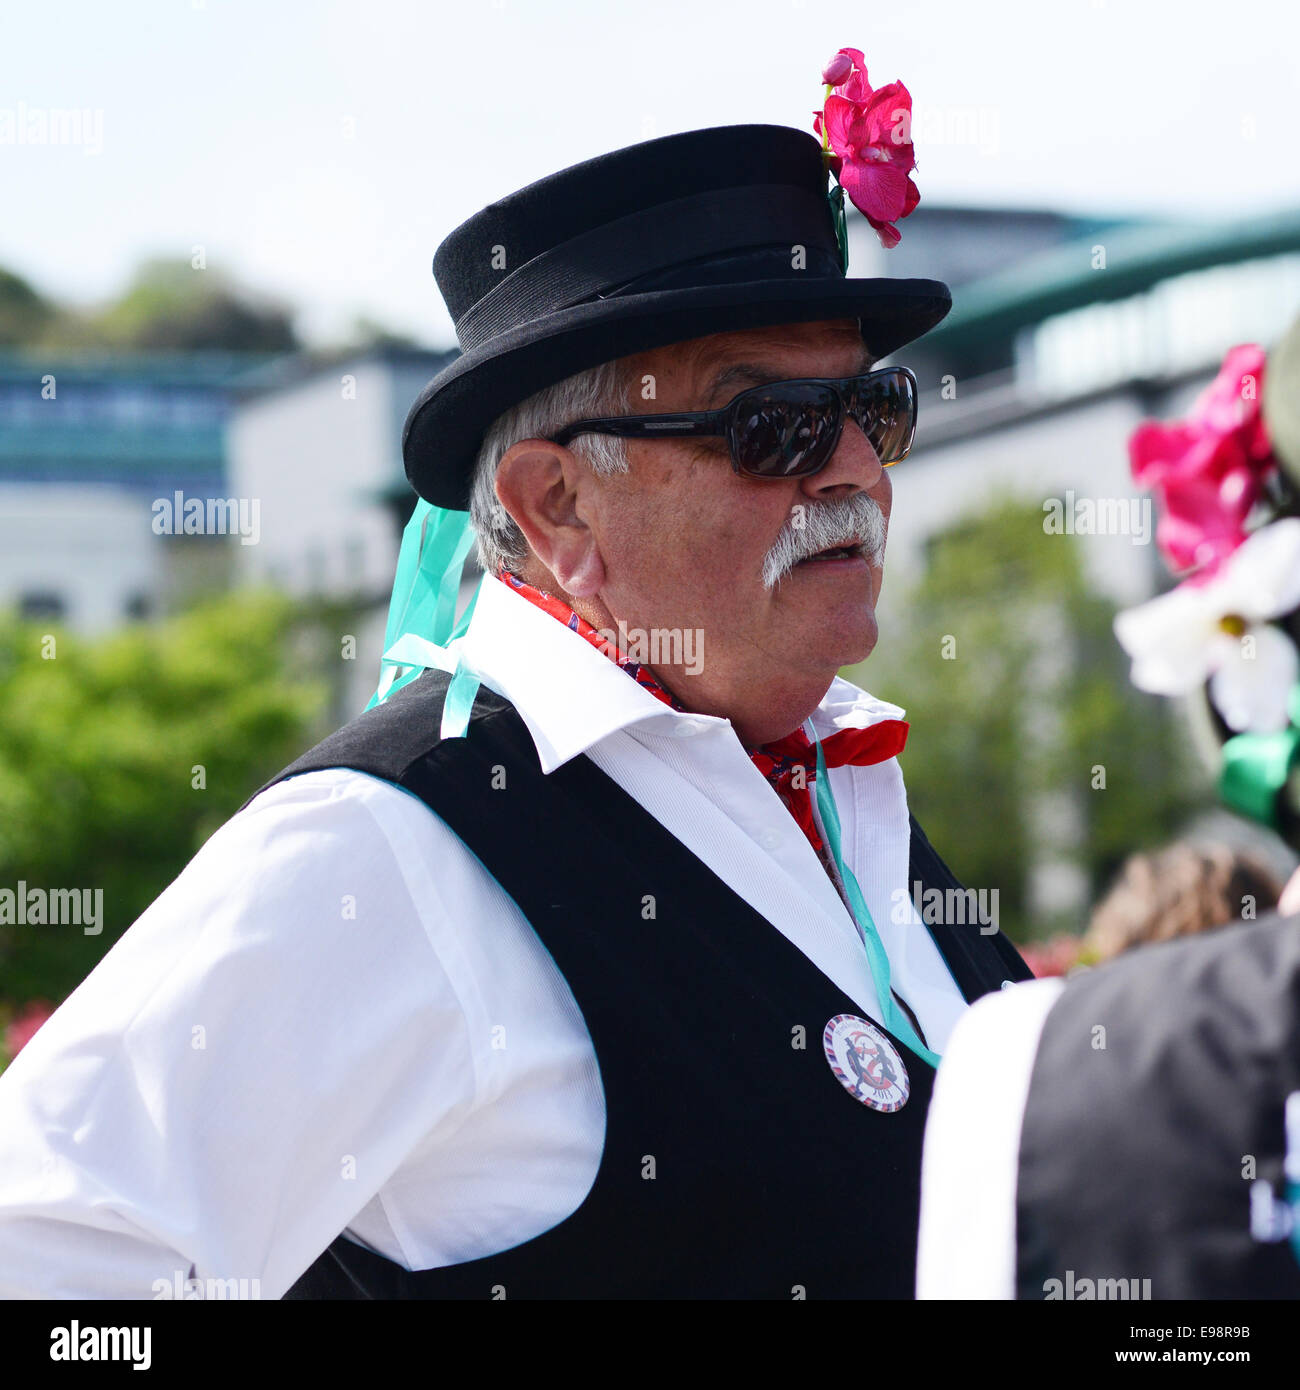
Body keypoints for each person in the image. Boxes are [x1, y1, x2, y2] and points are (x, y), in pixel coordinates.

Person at [0, 123, 1029, 1301]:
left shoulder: (831, 779)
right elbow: (40, 1252)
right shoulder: (391, 842)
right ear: (558, 508)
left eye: (873, 409)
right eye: (773, 427)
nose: (855, 468)